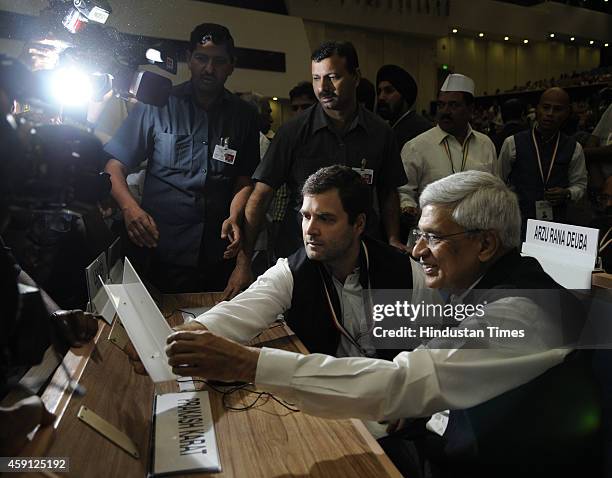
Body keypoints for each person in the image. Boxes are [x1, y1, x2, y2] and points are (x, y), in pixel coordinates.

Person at [165, 171, 595, 476]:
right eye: (417, 235)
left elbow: (406, 381)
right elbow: (432, 368)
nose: (418, 250)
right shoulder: (485, 287)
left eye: (435, 237)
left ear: (485, 244)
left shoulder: (522, 313)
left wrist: (250, 365)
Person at [103, 23, 260, 297]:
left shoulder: (243, 116)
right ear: (190, 58)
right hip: (158, 250)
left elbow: (243, 180)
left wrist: (235, 215)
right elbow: (114, 166)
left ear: (232, 65)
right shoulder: (157, 104)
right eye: (201, 58)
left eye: (219, 61)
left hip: (217, 254)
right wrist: (130, 209)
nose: (209, 69)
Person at [242, 41, 407, 272]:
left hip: (361, 256)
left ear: (356, 77)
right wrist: (243, 261)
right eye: (316, 78)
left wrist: (392, 238)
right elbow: (261, 196)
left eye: (333, 77)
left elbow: (388, 191)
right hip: (302, 256)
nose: (323, 87)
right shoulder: (292, 132)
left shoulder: (380, 133)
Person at [398, 74, 497, 224]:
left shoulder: (485, 144)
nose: (445, 111)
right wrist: (409, 208)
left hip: (476, 231)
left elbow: (495, 190)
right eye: (441, 105)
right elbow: (404, 191)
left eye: (454, 105)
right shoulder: (416, 146)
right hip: (433, 233)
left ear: (470, 108)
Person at [499, 87, 587, 234]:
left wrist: (567, 193)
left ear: (567, 113)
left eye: (557, 109)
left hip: (557, 226)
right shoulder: (512, 143)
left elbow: (580, 185)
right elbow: (499, 181)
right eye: (546, 107)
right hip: (519, 223)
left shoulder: (574, 148)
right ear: (537, 109)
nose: (550, 114)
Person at [376, 64, 432, 149]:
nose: (381, 97)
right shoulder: (386, 128)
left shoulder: (421, 132)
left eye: (389, 91)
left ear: (404, 96)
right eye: (379, 91)